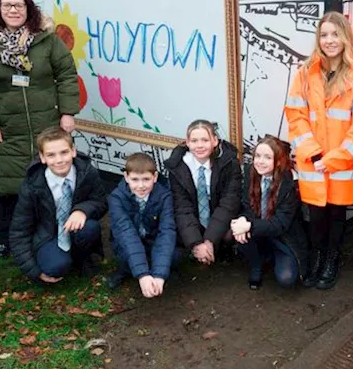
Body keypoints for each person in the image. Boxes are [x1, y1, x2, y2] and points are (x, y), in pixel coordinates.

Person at [0, 0, 79, 258]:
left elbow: (66, 74)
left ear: (28, 8)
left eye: (19, 5)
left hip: (48, 122)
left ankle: (52, 232)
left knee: (49, 178)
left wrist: (68, 112)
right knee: (9, 185)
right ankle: (3, 237)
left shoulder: (47, 40)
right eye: (7, 5)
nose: (13, 10)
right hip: (10, 127)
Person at [284, 12, 353, 289]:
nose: (330, 40)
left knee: (337, 214)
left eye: (336, 34)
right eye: (324, 34)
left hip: (342, 163)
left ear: (346, 37)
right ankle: (316, 257)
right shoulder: (305, 73)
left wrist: (335, 159)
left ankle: (331, 259)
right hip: (313, 161)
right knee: (315, 213)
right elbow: (295, 114)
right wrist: (313, 152)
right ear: (318, 39)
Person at [10, 127, 109, 284]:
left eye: (64, 152)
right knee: (55, 267)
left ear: (73, 151)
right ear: (42, 157)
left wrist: (82, 210)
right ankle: (59, 258)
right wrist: (33, 271)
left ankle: (82, 258)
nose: (59, 160)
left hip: (76, 228)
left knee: (90, 228)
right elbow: (19, 229)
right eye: (51, 155)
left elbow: (101, 202)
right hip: (47, 233)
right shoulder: (33, 184)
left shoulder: (87, 172)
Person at [231, 136, 309, 289]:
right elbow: (246, 206)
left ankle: (274, 256)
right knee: (237, 233)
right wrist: (242, 222)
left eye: (267, 157)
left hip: (282, 237)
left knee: (287, 278)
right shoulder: (249, 173)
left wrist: (249, 226)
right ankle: (256, 264)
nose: (260, 161)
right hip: (257, 232)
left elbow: (281, 223)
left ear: (278, 160)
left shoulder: (289, 183)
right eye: (258, 156)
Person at [163, 119, 242, 266]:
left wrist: (209, 240)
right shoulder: (177, 167)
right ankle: (198, 250)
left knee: (230, 232)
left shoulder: (230, 163)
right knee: (178, 229)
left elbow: (229, 203)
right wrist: (196, 243)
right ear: (187, 142)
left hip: (218, 215)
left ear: (215, 141)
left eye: (205, 140)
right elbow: (182, 207)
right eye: (194, 140)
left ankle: (222, 250)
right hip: (194, 216)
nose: (199, 145)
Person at [106, 152, 180, 297]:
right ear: (126, 177)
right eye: (135, 179)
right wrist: (143, 274)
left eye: (146, 179)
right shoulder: (116, 198)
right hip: (128, 242)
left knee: (174, 255)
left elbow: (166, 231)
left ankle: (158, 272)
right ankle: (128, 271)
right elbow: (127, 235)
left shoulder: (165, 196)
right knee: (125, 256)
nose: (141, 186)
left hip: (152, 240)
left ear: (155, 177)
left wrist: (159, 275)